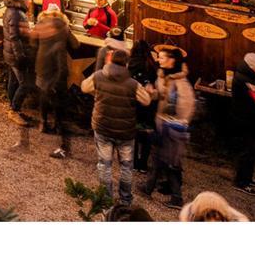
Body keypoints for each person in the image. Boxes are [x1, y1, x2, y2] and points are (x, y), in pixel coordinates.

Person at [81, 49, 152, 206]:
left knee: (104, 165)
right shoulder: (133, 83)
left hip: (102, 127)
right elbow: (146, 101)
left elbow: (84, 87)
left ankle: (106, 198)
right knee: (126, 167)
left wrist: (98, 92)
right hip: (125, 132)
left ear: (110, 60)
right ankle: (125, 198)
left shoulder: (98, 76)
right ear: (126, 63)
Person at [140, 46, 194, 208]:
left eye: (162, 57)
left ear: (172, 60)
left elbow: (186, 106)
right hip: (163, 124)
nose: (158, 59)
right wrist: (151, 92)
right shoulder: (164, 76)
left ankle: (177, 198)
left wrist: (176, 123)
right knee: (158, 159)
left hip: (172, 128)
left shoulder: (181, 82)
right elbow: (163, 96)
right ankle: (148, 188)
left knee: (170, 162)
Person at [34, 3, 77, 159]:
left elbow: (32, 43)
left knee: (43, 95)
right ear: (59, 15)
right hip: (59, 66)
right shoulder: (64, 27)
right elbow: (76, 44)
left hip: (42, 64)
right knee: (59, 96)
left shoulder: (40, 25)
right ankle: (58, 125)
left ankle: (43, 122)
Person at [230, 52, 255, 196]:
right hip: (247, 121)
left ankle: (247, 178)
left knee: (251, 151)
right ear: (252, 68)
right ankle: (241, 182)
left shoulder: (250, 78)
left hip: (250, 120)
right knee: (247, 152)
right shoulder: (246, 81)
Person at [2, 0, 34, 124]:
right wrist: (20, 56)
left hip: (9, 52)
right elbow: (15, 37)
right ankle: (14, 110)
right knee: (25, 84)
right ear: (25, 0)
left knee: (14, 81)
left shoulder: (11, 10)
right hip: (15, 54)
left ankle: (13, 108)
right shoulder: (17, 13)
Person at [129, 40, 157, 173]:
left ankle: (133, 162)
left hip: (133, 102)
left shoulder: (131, 63)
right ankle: (143, 164)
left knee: (133, 133)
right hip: (148, 103)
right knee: (146, 133)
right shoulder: (152, 64)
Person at [178, 191, 248, 222]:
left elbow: (243, 219)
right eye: (209, 216)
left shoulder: (232, 215)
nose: (213, 220)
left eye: (216, 217)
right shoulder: (187, 214)